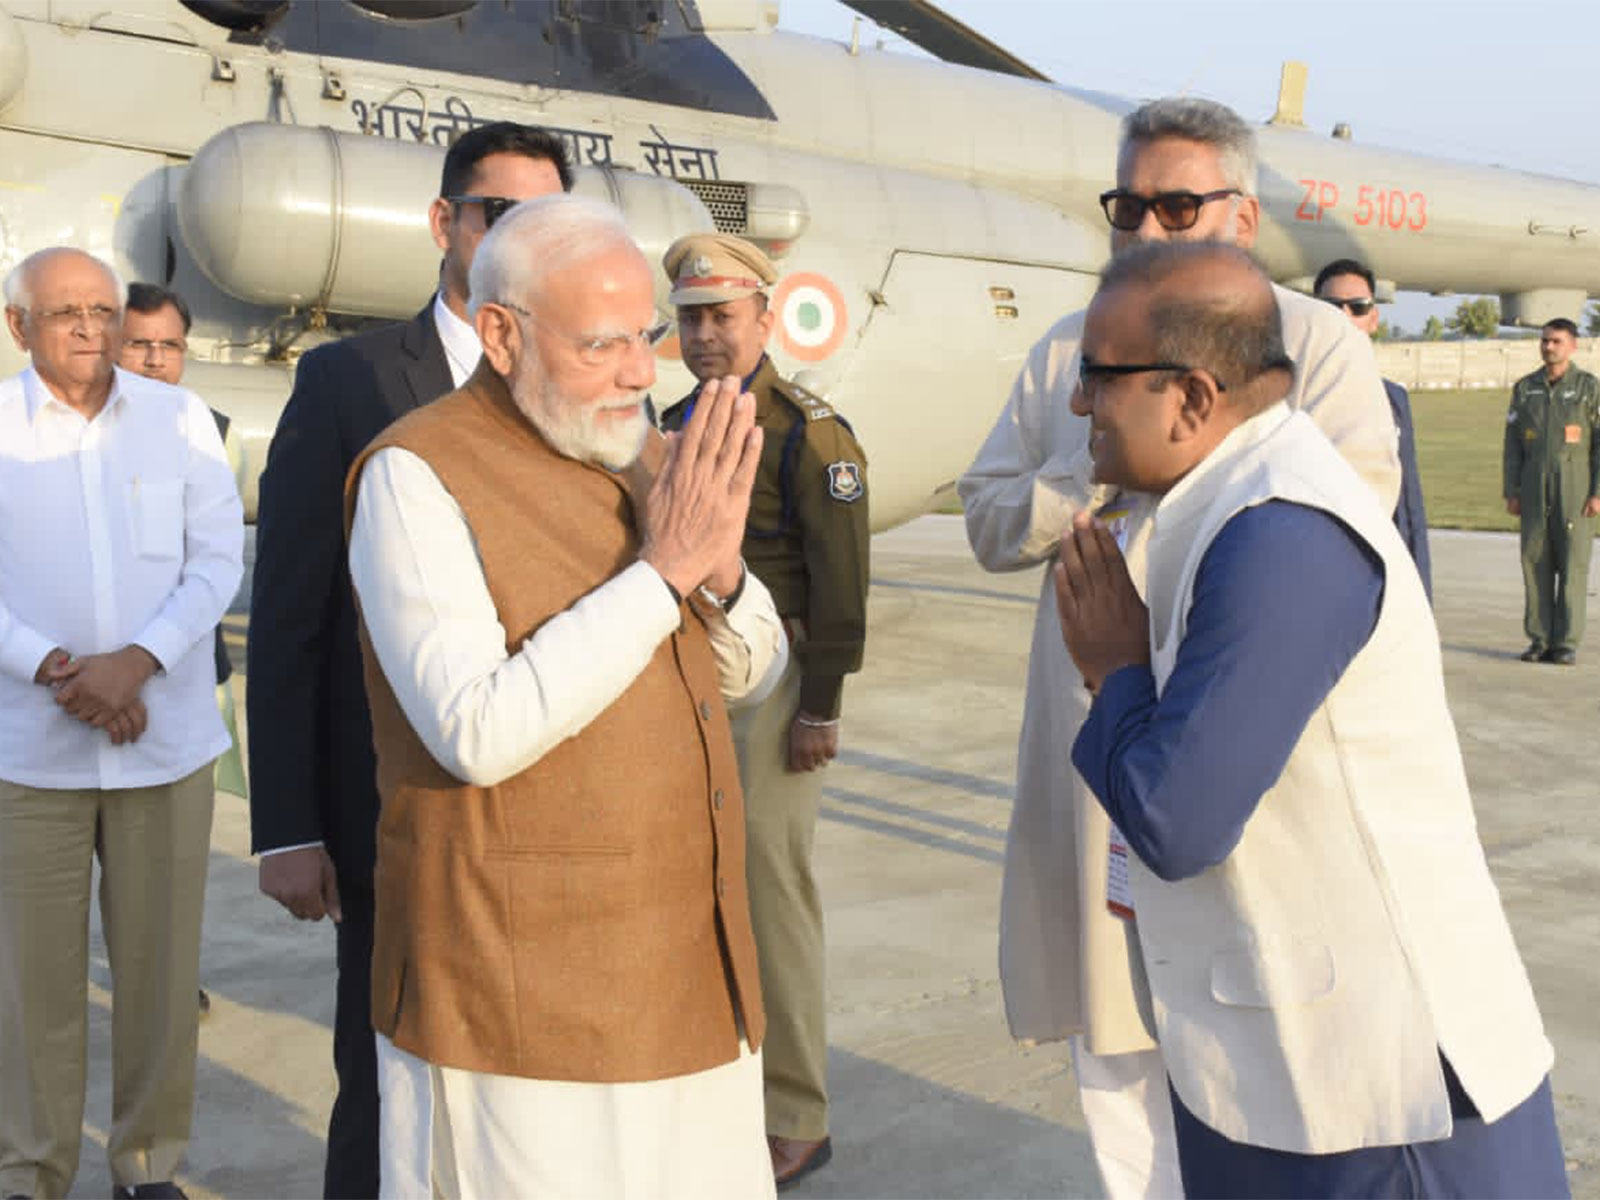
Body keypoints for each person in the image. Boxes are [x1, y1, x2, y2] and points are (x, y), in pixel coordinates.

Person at [1055, 239, 1566, 1198]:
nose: (1080, 402)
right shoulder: (1218, 506)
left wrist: (1115, 669)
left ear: (1194, 398)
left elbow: (1178, 817)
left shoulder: (1282, 531)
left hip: (1387, 1103)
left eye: (1098, 374)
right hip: (1283, 1072)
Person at [958, 96, 1400, 1198]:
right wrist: (1089, 473)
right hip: (1090, 746)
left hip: (1237, 754)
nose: (1148, 230)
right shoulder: (1068, 353)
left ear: (1241, 216)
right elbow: (984, 516)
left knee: (1265, 1053)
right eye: (1129, 207)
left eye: (1177, 204)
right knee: (1117, 1049)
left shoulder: (1316, 349)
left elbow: (1351, 522)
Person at [346, 193, 785, 1197]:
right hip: (517, 1006)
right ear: (501, 334)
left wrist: (715, 579)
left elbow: (746, 672)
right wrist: (661, 574)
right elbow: (473, 730)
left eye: (645, 337)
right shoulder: (416, 475)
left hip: (685, 972)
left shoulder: (640, 451)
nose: (641, 371)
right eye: (602, 346)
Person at [246, 121, 571, 1198]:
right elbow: (293, 616)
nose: (521, 239)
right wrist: (288, 826)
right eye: (498, 215)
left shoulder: (573, 383)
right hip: (391, 807)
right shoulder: (349, 382)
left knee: (522, 1093)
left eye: (545, 219)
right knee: (384, 1077)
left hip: (542, 808)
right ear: (445, 223)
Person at [0, 248, 243, 1200]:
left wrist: (134, 664)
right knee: (33, 990)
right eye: (66, 313)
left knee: (157, 978)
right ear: (19, 326)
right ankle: (30, 1173)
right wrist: (56, 669)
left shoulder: (179, 421)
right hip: (32, 752)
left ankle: (147, 1166)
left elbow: (217, 560)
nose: (92, 330)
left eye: (103, 309)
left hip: (164, 745)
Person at [658, 232, 870, 1189]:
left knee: (771, 894)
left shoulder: (810, 431)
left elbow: (841, 583)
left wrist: (820, 706)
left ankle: (795, 1112)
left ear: (764, 318)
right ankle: (713, 1088)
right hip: (679, 677)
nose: (704, 335)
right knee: (684, 888)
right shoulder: (664, 421)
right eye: (691, 317)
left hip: (776, 682)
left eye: (721, 317)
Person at [119, 281, 244, 1020]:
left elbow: (215, 557)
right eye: (141, 344)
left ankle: (167, 978)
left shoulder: (208, 427)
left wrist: (144, 659)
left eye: (170, 346)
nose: (156, 360)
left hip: (183, 673)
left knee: (171, 859)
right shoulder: (42, 434)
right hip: (71, 685)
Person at [1313, 258, 1432, 596]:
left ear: (1374, 319)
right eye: (1332, 307)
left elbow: (1410, 508)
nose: (1345, 316)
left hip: (1380, 573)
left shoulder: (1394, 400)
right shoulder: (1289, 398)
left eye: (1358, 307)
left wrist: (1420, 593)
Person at [1502, 317, 1600, 665]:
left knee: (1573, 564)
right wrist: (1511, 488)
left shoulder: (1589, 387)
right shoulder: (1525, 388)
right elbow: (1513, 443)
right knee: (1535, 561)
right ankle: (1539, 639)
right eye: (1545, 341)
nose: (1548, 347)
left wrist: (1596, 492)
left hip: (1575, 488)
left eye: (1556, 341)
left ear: (1573, 345)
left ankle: (1566, 643)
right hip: (1533, 486)